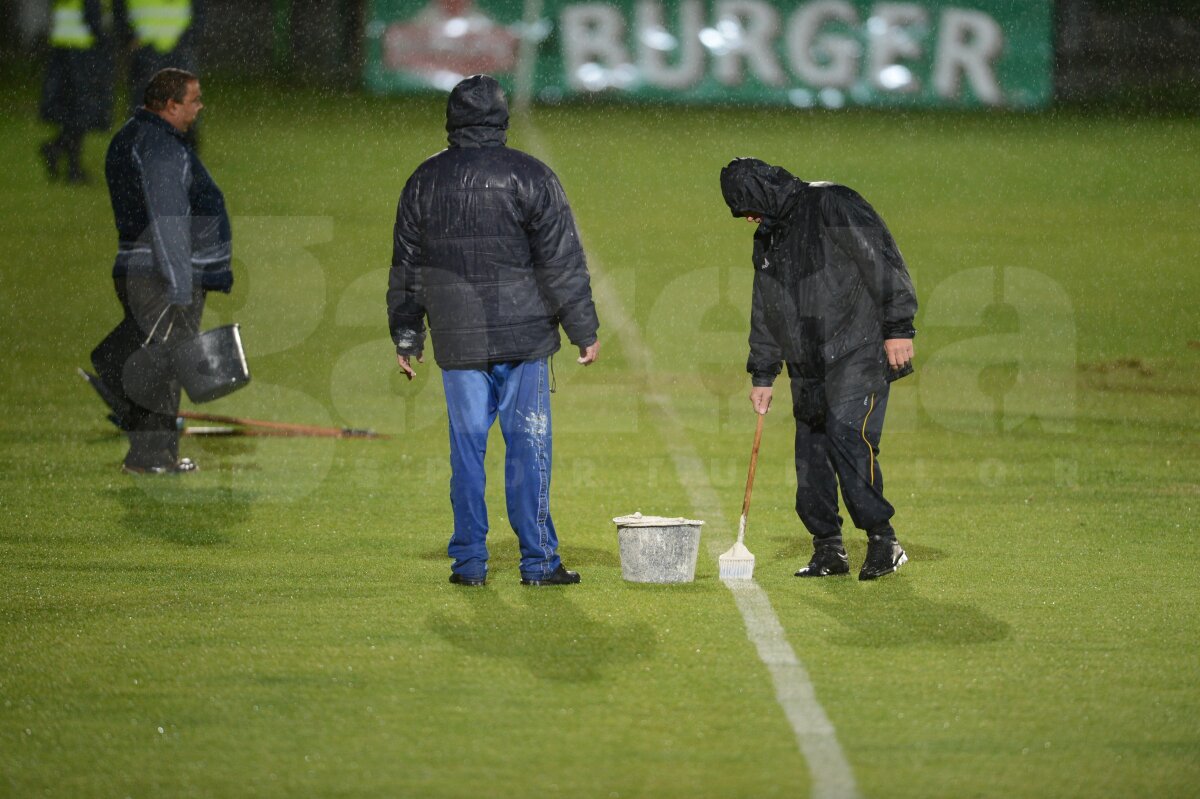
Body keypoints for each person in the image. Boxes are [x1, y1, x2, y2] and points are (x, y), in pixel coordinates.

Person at [388, 74, 600, 587]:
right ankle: (538, 562)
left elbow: (407, 266)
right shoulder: (531, 176)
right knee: (528, 447)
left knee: (466, 453)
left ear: (452, 121)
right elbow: (560, 262)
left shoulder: (424, 179)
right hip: (524, 340)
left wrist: (407, 334)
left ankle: (469, 564)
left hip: (458, 342)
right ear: (503, 120)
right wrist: (583, 328)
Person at [720, 157, 918, 580]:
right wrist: (763, 372)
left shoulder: (833, 203)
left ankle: (884, 541)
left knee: (848, 436)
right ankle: (828, 548)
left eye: (748, 206)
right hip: (807, 363)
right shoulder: (769, 236)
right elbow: (766, 307)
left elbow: (881, 259)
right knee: (811, 458)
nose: (748, 217)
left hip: (858, 348)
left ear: (763, 193)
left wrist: (899, 326)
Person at [86, 68, 232, 474]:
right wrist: (180, 284)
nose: (199, 108)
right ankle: (151, 460)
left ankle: (154, 454)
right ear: (170, 105)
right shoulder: (161, 148)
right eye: (194, 100)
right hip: (160, 274)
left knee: (155, 360)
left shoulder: (135, 136)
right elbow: (168, 221)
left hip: (144, 268)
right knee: (161, 366)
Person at [39, 0, 114, 184]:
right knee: (82, 109)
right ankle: (66, 160)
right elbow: (91, 13)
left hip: (63, 45)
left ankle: (61, 154)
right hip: (82, 46)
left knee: (72, 109)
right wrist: (103, 41)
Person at [116, 0, 201, 149]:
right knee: (145, 104)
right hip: (147, 49)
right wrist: (128, 35)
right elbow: (119, 9)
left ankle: (185, 153)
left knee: (184, 104)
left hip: (177, 47)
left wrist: (190, 36)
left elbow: (199, 11)